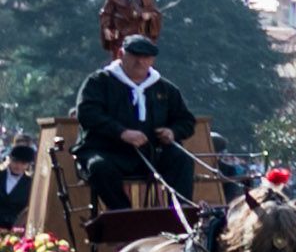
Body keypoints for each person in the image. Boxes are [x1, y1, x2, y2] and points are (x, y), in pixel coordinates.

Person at [73, 31, 201, 212]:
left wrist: (173, 132)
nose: (140, 62)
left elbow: (186, 120)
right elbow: (87, 114)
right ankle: (125, 215)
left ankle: (180, 216)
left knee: (182, 160)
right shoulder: (99, 82)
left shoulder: (165, 88)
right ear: (121, 55)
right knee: (98, 167)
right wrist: (121, 133)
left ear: (152, 60)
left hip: (152, 153)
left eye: (146, 57)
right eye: (135, 56)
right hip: (108, 151)